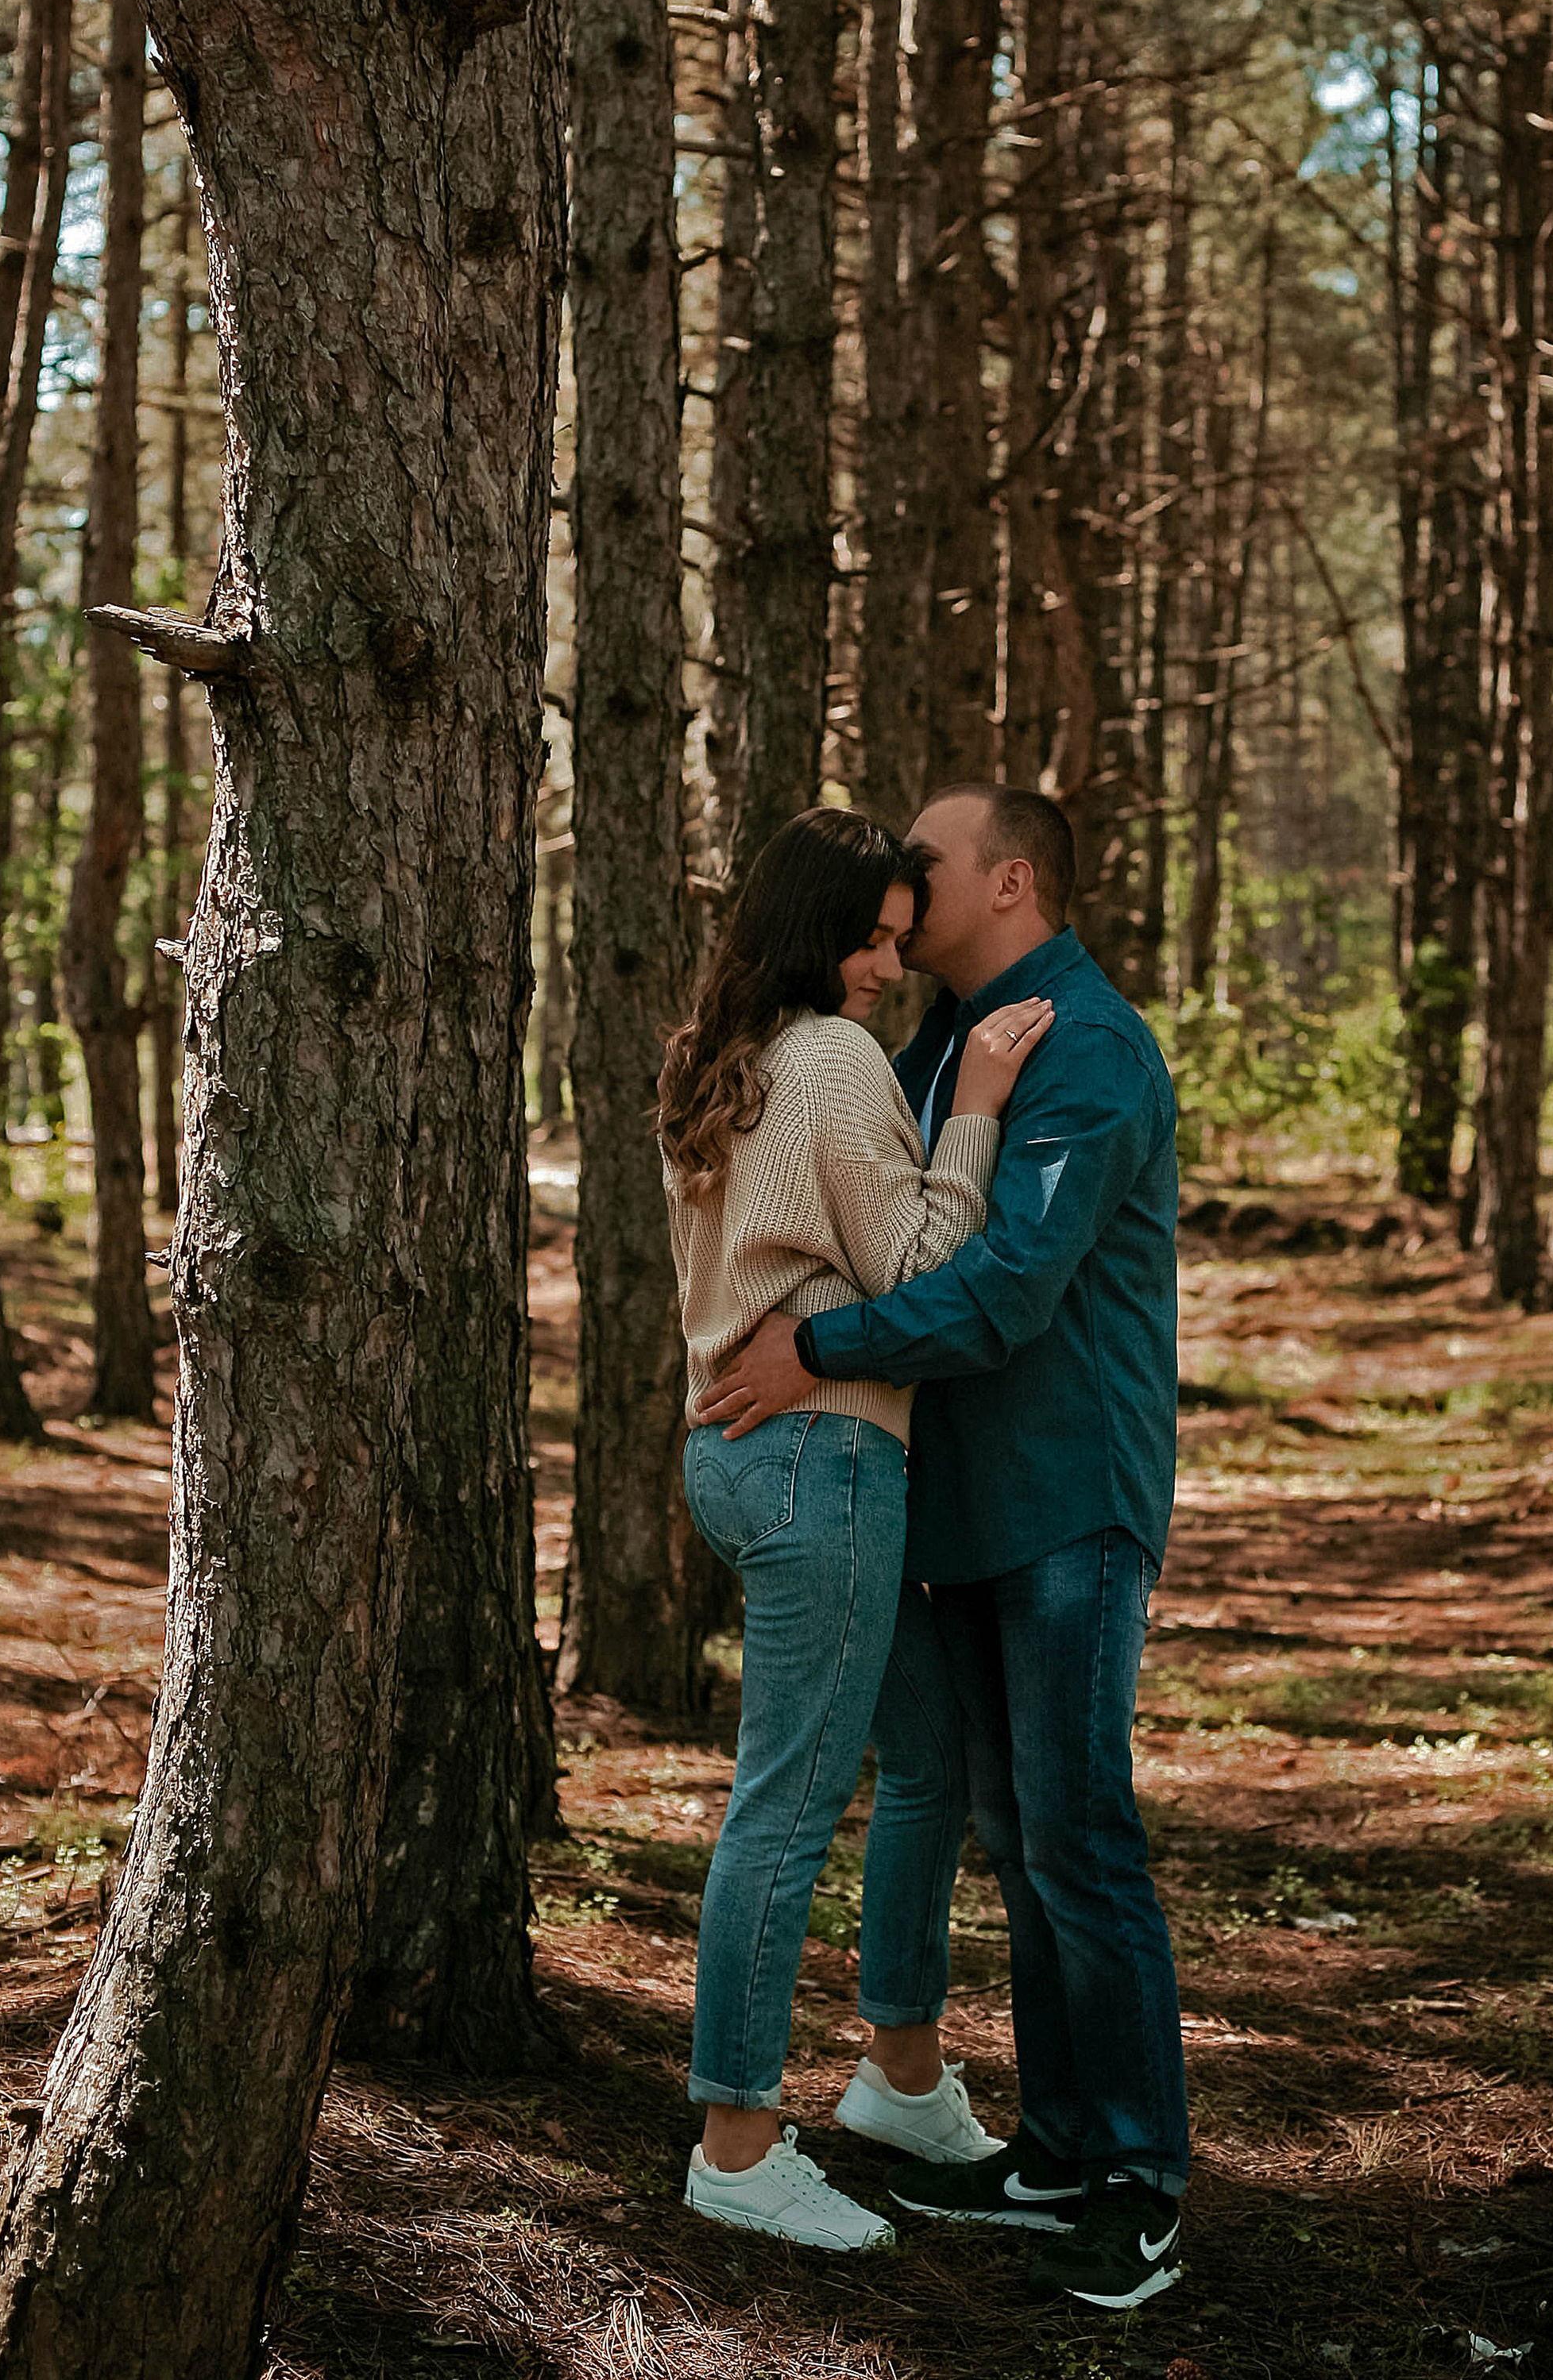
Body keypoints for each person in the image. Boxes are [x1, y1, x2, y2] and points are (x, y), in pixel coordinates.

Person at [698, 785, 1191, 2312]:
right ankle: (1058, 2150)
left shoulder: (1085, 1047)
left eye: (931, 867)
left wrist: (813, 1347)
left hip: (1066, 1499)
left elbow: (1004, 1283)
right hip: (960, 1503)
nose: (903, 899)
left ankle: (1141, 2180)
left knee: (1083, 1837)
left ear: (1015, 880)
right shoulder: (926, 1043)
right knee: (1018, 1836)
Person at [659, 806, 1054, 2251]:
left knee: (927, 1755)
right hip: (821, 1454)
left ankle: (896, 2069)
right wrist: (977, 1108)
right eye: (870, 935)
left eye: (902, 936)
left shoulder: (726, 1053)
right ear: (809, 925)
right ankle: (738, 2141)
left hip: (755, 1455)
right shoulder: (830, 1059)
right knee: (788, 1799)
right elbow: (917, 1265)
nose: (890, 962)